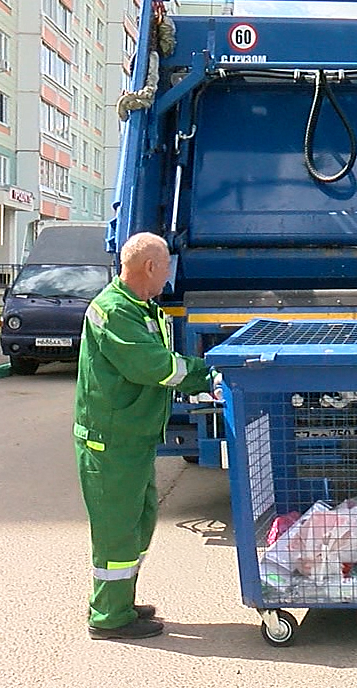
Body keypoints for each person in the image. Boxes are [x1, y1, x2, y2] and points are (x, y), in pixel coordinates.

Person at [74, 232, 215, 640]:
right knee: (117, 530)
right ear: (150, 267)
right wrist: (208, 374)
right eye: (167, 267)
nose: (168, 276)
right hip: (110, 440)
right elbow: (151, 365)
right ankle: (109, 618)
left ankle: (119, 600)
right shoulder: (115, 311)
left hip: (130, 437)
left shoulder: (140, 308)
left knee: (138, 523)